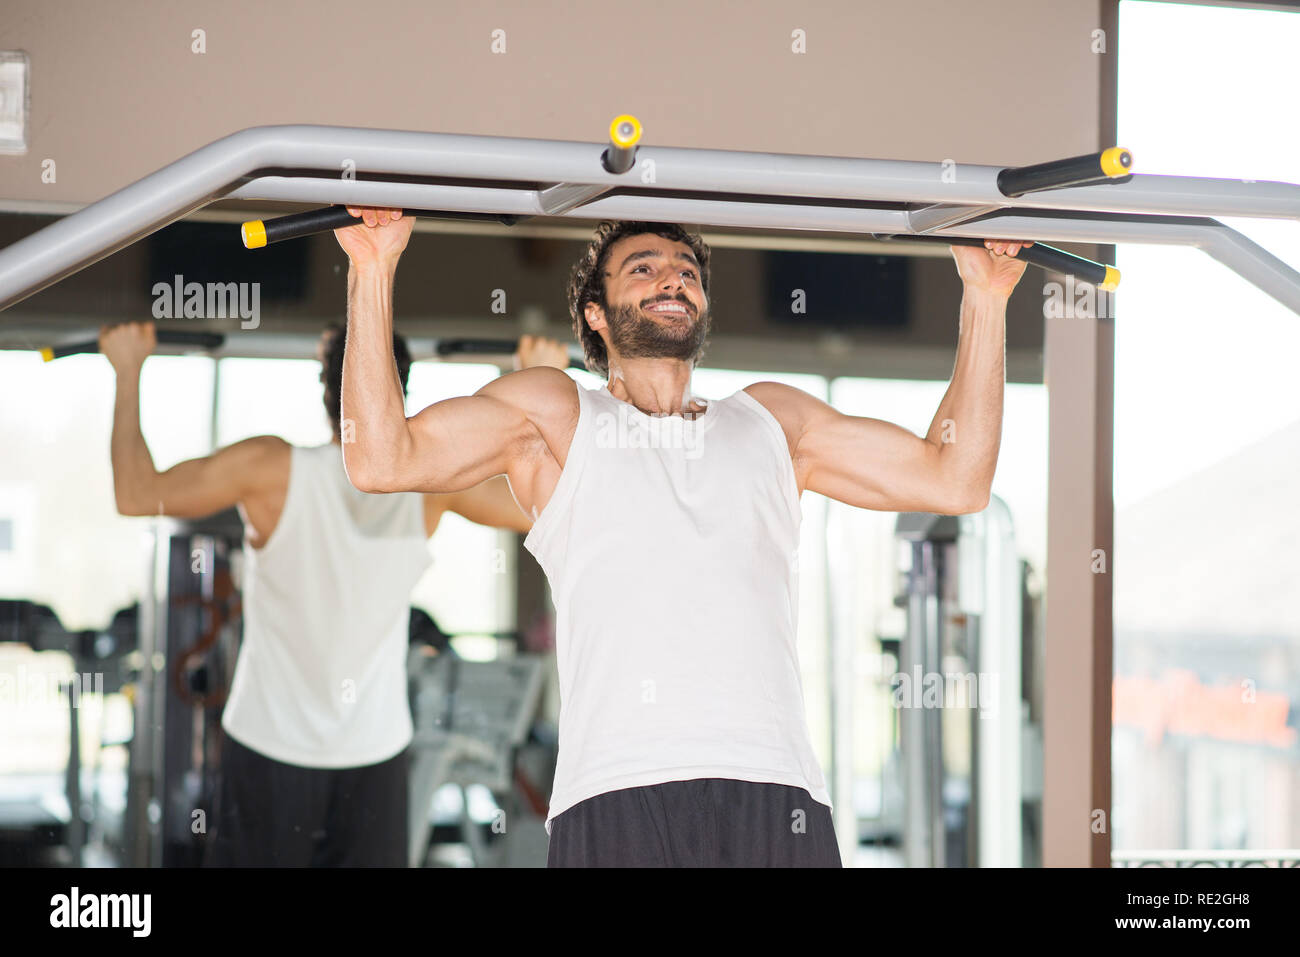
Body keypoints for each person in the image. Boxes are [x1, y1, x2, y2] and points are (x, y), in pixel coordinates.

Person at [334, 205, 1032, 867]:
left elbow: (955, 479)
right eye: (642, 267)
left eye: (687, 271)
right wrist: (373, 267)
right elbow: (380, 457)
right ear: (595, 315)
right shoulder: (555, 414)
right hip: (617, 790)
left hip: (775, 787)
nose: (672, 277)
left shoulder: (773, 422)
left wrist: (986, 296)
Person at [98, 319, 570, 866]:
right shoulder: (430, 491)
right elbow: (547, 505)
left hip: (296, 752)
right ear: (400, 392)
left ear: (327, 385)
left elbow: (136, 493)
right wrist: (536, 393)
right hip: (354, 759)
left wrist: (128, 369)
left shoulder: (268, 468)